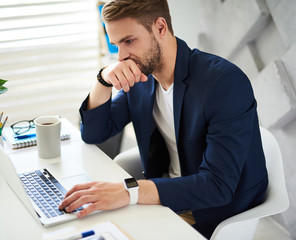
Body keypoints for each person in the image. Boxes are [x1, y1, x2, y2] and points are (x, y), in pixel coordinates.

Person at [59, 0, 269, 238]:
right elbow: (94, 133)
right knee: (88, 226)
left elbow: (217, 187)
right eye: (116, 44)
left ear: (160, 27)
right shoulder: (141, 77)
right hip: (165, 193)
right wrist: (102, 79)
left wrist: (131, 192)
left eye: (129, 41)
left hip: (212, 210)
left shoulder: (224, 83)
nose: (121, 56)